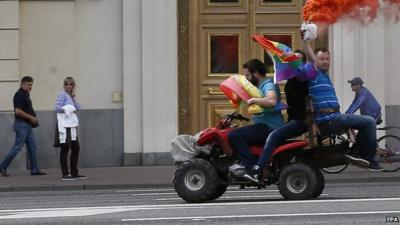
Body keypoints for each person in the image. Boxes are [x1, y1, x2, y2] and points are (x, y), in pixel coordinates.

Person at [301, 37, 383, 171]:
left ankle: (356, 152)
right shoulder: (314, 74)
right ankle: (366, 157)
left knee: (367, 122)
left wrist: (350, 128)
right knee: (369, 121)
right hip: (327, 121)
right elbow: (311, 60)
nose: (326, 61)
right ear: (316, 61)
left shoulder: (325, 76)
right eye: (322, 59)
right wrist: (305, 42)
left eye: (328, 58)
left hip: (334, 118)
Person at [243, 50, 309, 183]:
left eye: (299, 60)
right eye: (292, 60)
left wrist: (306, 42)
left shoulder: (302, 78)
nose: (295, 62)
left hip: (300, 121)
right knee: (274, 136)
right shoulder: (291, 79)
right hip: (293, 119)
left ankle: (257, 169)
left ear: (303, 64)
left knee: (273, 135)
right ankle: (271, 168)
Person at [228, 59, 284, 177]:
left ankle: (251, 168)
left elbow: (272, 100)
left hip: (269, 127)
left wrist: (254, 100)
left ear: (256, 73)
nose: (246, 78)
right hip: (262, 126)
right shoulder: (257, 86)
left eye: (247, 75)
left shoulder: (268, 85)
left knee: (234, 135)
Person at [0, 76, 46, 177]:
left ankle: (34, 169)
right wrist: (31, 117)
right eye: (28, 85)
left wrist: (32, 119)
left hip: (27, 125)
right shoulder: (19, 95)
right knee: (17, 148)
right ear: (22, 84)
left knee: (32, 147)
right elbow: (18, 111)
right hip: (22, 125)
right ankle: (2, 166)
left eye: (31, 85)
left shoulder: (26, 94)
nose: (30, 87)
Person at [54, 77, 87, 180]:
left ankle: (74, 172)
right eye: (67, 84)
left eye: (71, 84)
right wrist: (66, 110)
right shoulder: (62, 94)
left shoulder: (70, 96)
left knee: (76, 148)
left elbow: (78, 107)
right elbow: (57, 107)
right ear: (64, 86)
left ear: (73, 86)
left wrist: (73, 97)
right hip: (64, 125)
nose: (68, 86)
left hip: (71, 125)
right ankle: (65, 173)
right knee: (65, 148)